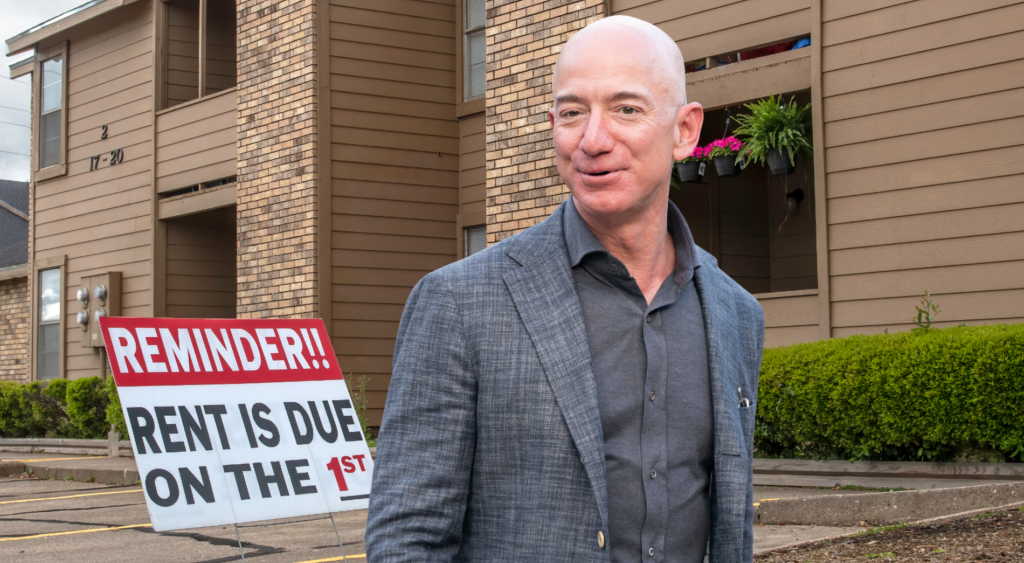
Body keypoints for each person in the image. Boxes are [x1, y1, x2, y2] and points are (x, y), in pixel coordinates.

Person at [365, 15, 764, 563]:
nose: (593, 141)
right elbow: (407, 541)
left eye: (626, 109)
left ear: (685, 131)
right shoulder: (459, 303)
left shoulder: (736, 312)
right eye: (573, 113)